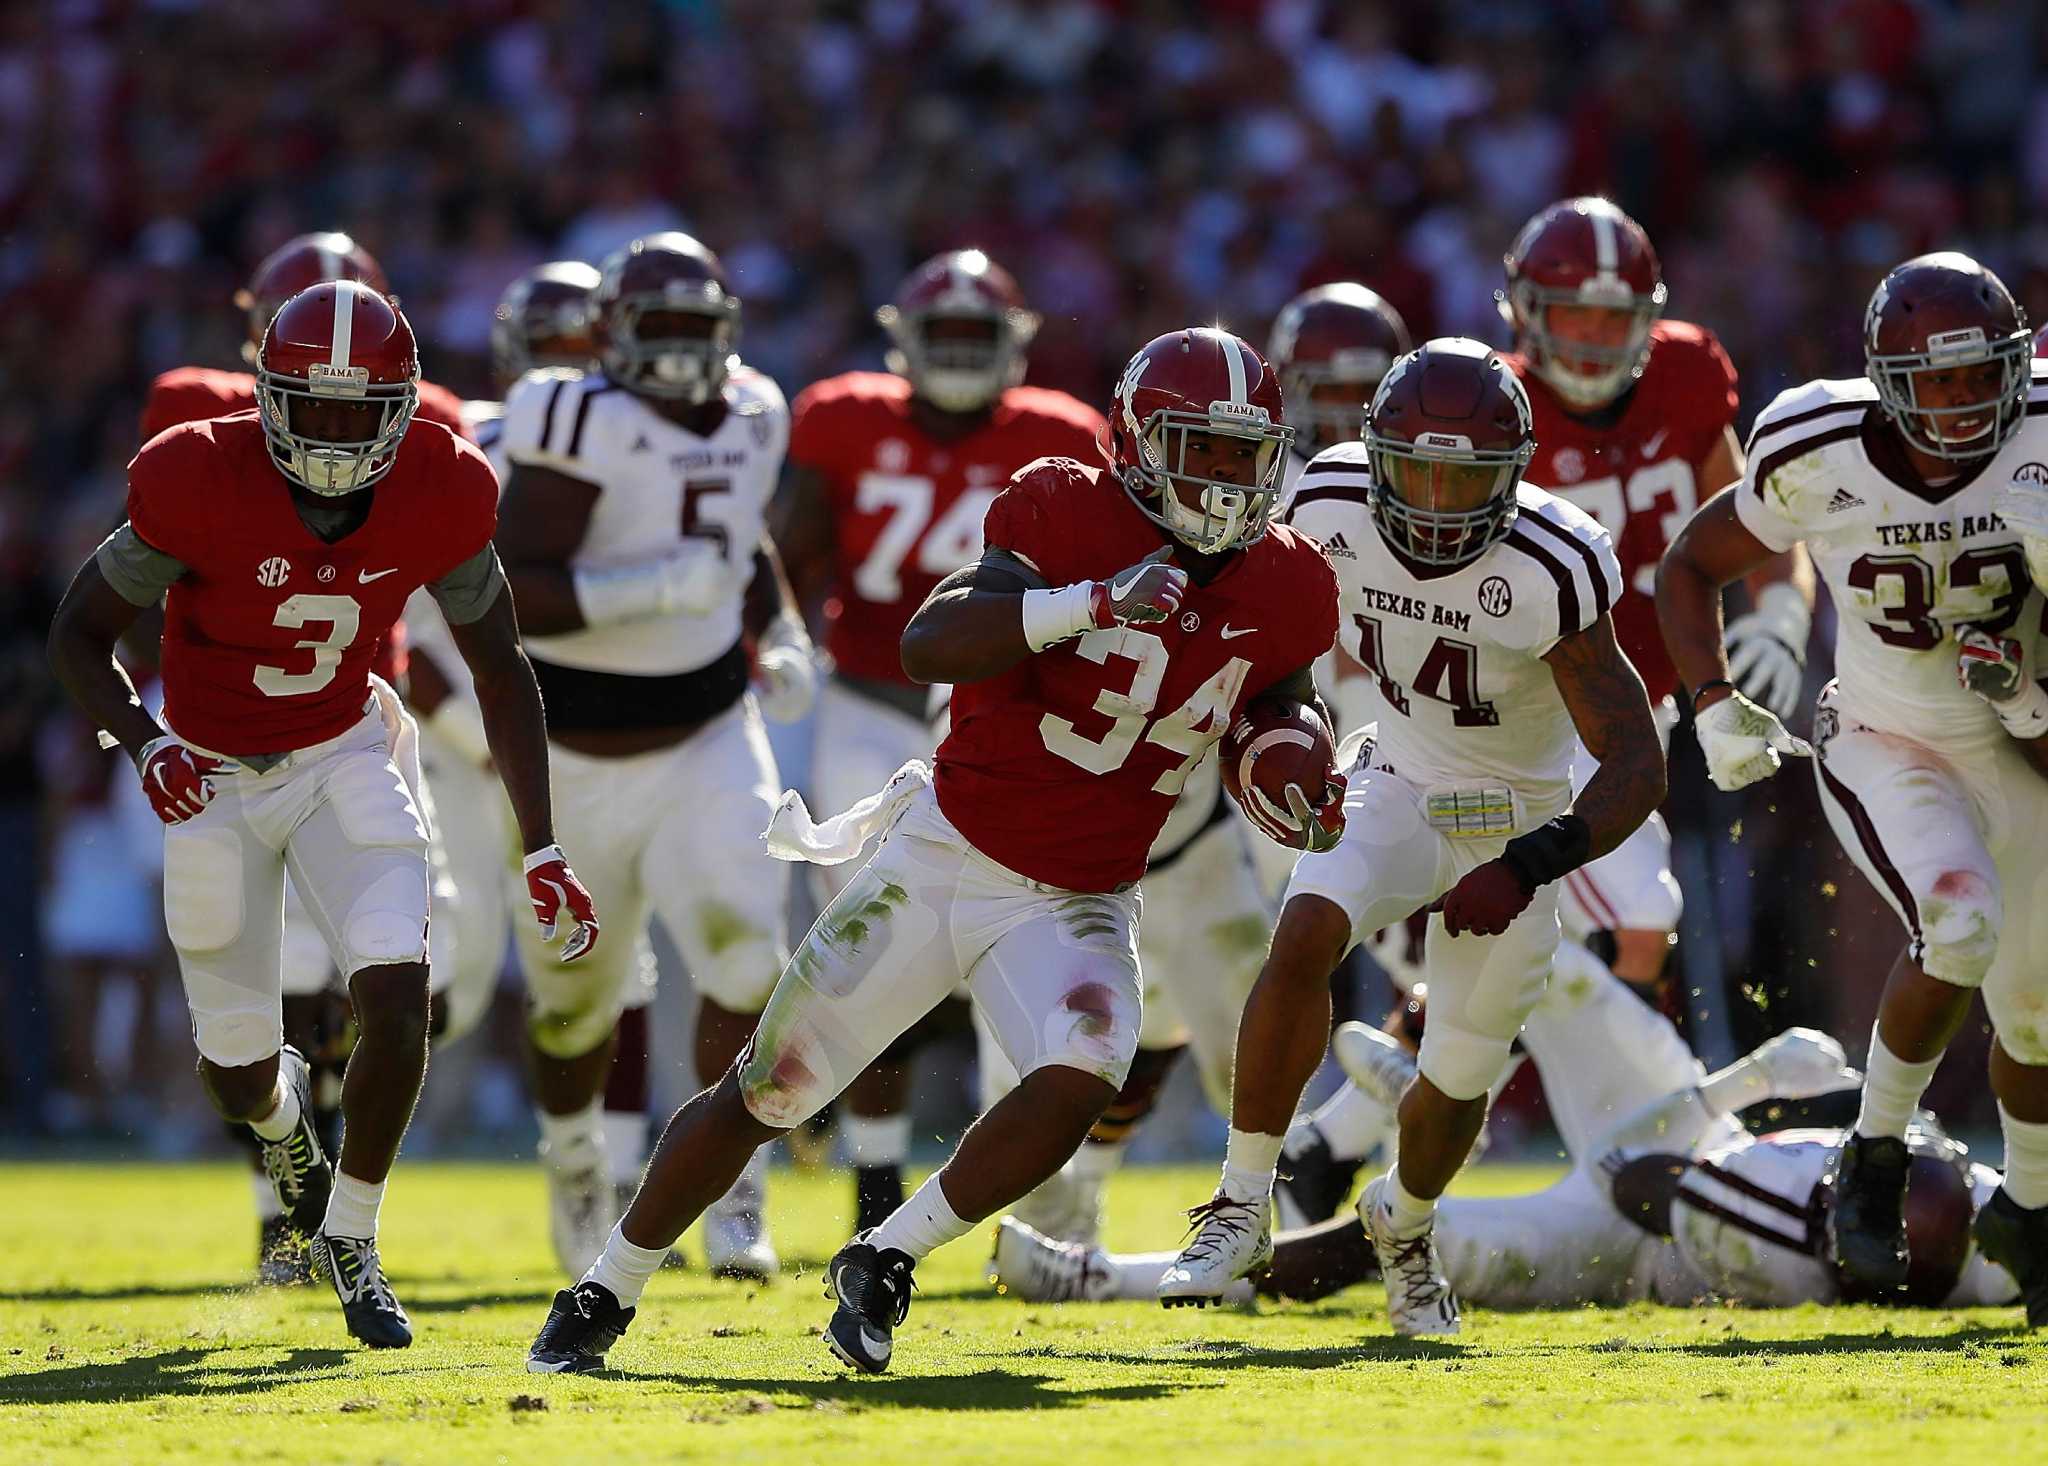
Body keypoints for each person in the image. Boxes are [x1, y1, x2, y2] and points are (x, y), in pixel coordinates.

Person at [526, 325, 1342, 1377]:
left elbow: (1281, 696)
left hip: (1083, 893)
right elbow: (931, 639)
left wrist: (1296, 760)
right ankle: (603, 1288)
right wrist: (1087, 602)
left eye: (1245, 453)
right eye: (1203, 448)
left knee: (1083, 1068)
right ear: (1137, 442)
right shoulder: (1063, 507)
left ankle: (885, 1256)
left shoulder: (1283, 580)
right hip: (945, 852)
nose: (1227, 479)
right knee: (770, 1087)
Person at [46, 281, 598, 1348]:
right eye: (317, 407)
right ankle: (281, 1117)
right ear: (266, 395)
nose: (339, 435)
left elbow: (501, 669)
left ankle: (350, 1233)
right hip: (206, 765)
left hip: (343, 746)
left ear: (402, 406)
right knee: (235, 1070)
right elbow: (78, 633)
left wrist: (544, 843)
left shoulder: (439, 482)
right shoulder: (198, 471)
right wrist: (144, 735)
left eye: (361, 411)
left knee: (398, 987)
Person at [1276, 199, 1814, 1229]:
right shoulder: (1480, 410)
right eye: (1569, 315)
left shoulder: (1689, 372)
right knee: (1615, 925)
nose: (1592, 340)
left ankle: (1357, 1124)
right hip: (1501, 719)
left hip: (1624, 711)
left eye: (1613, 319)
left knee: (1605, 935)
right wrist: (1356, 699)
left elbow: (1746, 510)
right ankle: (1605, 1139)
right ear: (1522, 312)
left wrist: (1778, 610)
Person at [1160, 338, 1666, 1337]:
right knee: (1302, 932)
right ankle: (1240, 1199)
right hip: (1392, 771)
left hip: (1516, 808)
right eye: (1414, 471)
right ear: (1372, 454)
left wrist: (1526, 865)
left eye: (1462, 477)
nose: (1434, 501)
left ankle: (1405, 1222)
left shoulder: (1553, 563)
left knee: (1459, 1067)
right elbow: (1274, 639)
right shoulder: (1325, 502)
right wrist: (1281, 727)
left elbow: (1634, 765)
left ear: (1513, 474)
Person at [1657, 250, 2048, 1331]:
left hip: (2019, 734)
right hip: (1886, 732)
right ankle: (1872, 1149)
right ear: (1882, 378)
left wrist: (2027, 690)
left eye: (1982, 379)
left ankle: (2027, 1206)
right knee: (1957, 920)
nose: (1965, 405)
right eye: (1938, 382)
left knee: (2035, 1014)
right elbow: (1688, 563)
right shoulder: (1816, 444)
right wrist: (1710, 697)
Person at [139, 230, 480, 1282]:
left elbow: (426, 587)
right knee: (264, 999)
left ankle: (333, 1215)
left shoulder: (434, 438)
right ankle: (280, 1196)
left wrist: (453, 715)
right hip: (219, 720)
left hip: (352, 715)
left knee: (399, 982)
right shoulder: (195, 426)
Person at [493, 232, 814, 1283]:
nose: (678, 351)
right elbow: (511, 580)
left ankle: (731, 1188)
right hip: (571, 751)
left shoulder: (758, 408)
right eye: (658, 327)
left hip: (711, 731)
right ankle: (580, 1165)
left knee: (744, 948)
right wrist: (642, 592)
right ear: (613, 333)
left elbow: (737, 536)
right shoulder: (570, 414)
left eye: (696, 328)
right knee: (573, 1003)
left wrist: (780, 630)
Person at [771, 249, 1106, 1234]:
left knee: (1003, 929)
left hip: (1003, 714)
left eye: (976, 336)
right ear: (902, 341)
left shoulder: (1060, 435)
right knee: (870, 933)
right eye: (943, 335)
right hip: (869, 700)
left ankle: (1012, 1181)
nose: (958, 356)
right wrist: (781, 640)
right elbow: (788, 552)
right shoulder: (840, 418)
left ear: (1013, 345)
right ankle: (874, 1179)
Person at [995, 996, 2015, 1314]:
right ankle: (1412, 1092)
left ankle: (1108, 1277)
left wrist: (1739, 1082)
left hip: (1637, 1237)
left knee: (1377, 1237)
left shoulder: (1794, 1236)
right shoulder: (1968, 1203)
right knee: (1543, 962)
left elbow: (1643, 1182)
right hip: (1694, 1148)